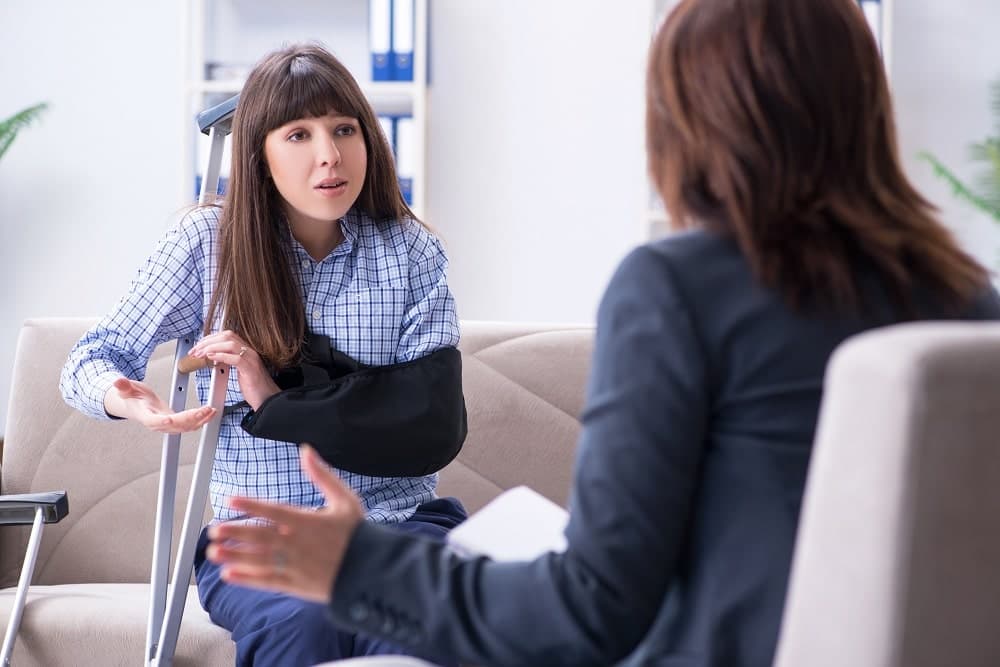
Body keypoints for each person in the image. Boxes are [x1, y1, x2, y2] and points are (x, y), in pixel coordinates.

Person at [205, 2, 1000, 666]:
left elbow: (592, 609)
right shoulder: (971, 304)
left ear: (694, 122)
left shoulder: (677, 291)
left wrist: (359, 564)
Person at [59, 43, 467, 667]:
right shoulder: (205, 244)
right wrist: (126, 397)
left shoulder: (408, 250)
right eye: (298, 134)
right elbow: (92, 356)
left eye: (344, 129)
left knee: (409, 622)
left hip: (397, 523)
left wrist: (275, 402)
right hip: (259, 537)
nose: (329, 155)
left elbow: (431, 421)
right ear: (261, 155)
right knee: (303, 624)